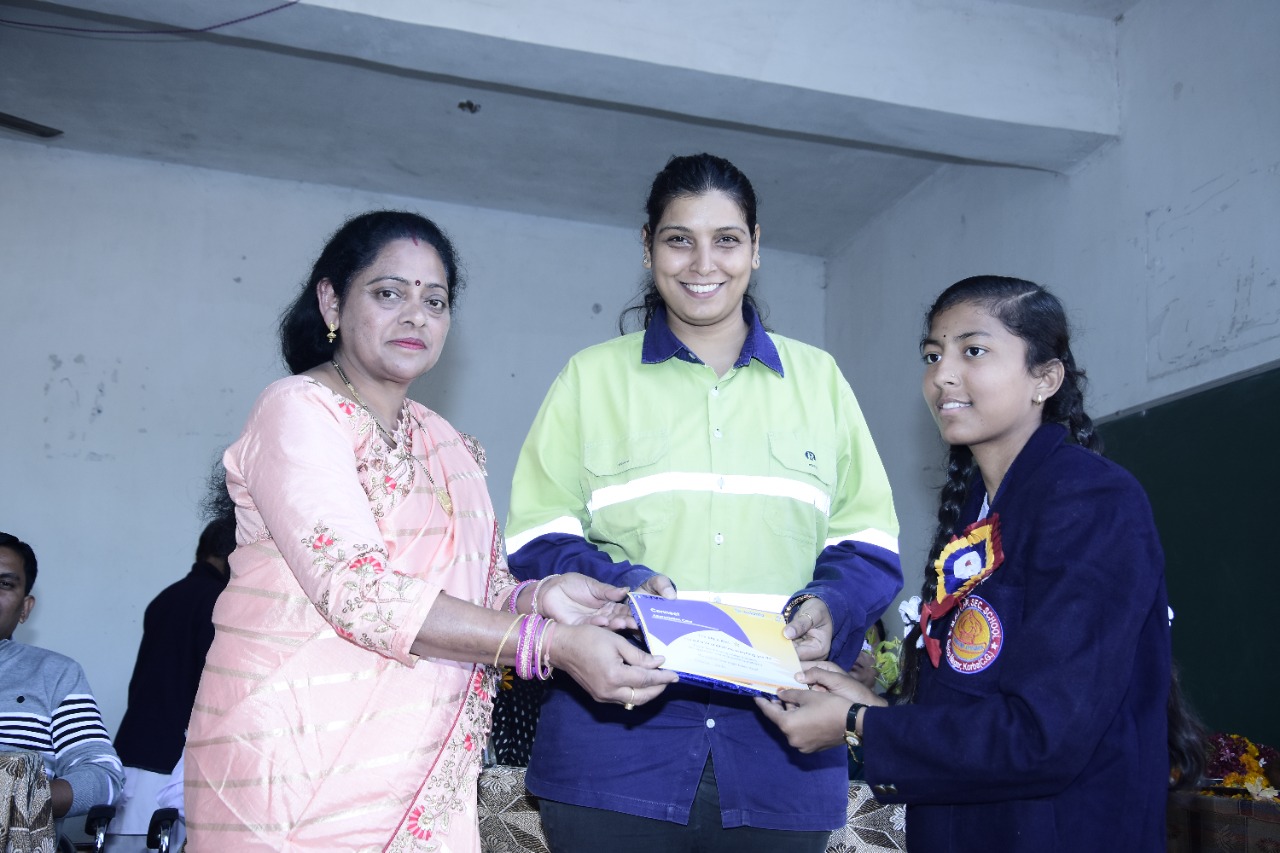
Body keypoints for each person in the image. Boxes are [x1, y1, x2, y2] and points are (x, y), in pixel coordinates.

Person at [183, 210, 676, 852]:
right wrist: (549, 644)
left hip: (419, 775)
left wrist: (544, 598)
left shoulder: (448, 445)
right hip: (293, 765)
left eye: (434, 301)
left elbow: (484, 590)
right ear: (331, 301)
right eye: (389, 293)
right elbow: (361, 593)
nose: (415, 316)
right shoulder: (297, 411)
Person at [504, 154, 903, 852]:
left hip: (782, 752)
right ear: (648, 247)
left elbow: (868, 541)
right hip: (614, 750)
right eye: (678, 239)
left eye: (726, 239)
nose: (702, 262)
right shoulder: (590, 379)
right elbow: (537, 538)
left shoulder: (821, 382)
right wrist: (624, 588)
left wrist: (832, 605)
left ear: (756, 247)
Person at [758, 275, 1191, 852]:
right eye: (932, 355)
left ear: (1045, 379)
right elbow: (976, 700)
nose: (942, 374)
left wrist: (859, 726)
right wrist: (872, 707)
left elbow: (1044, 735)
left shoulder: (1090, 500)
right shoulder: (978, 512)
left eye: (974, 351)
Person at [110, 516, 235, 851]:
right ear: (230, 557)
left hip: (135, 750)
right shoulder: (219, 603)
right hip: (172, 762)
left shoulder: (166, 597)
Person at [0, 532, 124, 821]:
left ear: (25, 608)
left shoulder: (55, 674)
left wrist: (21, 799)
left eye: (5, 584)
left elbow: (104, 776)